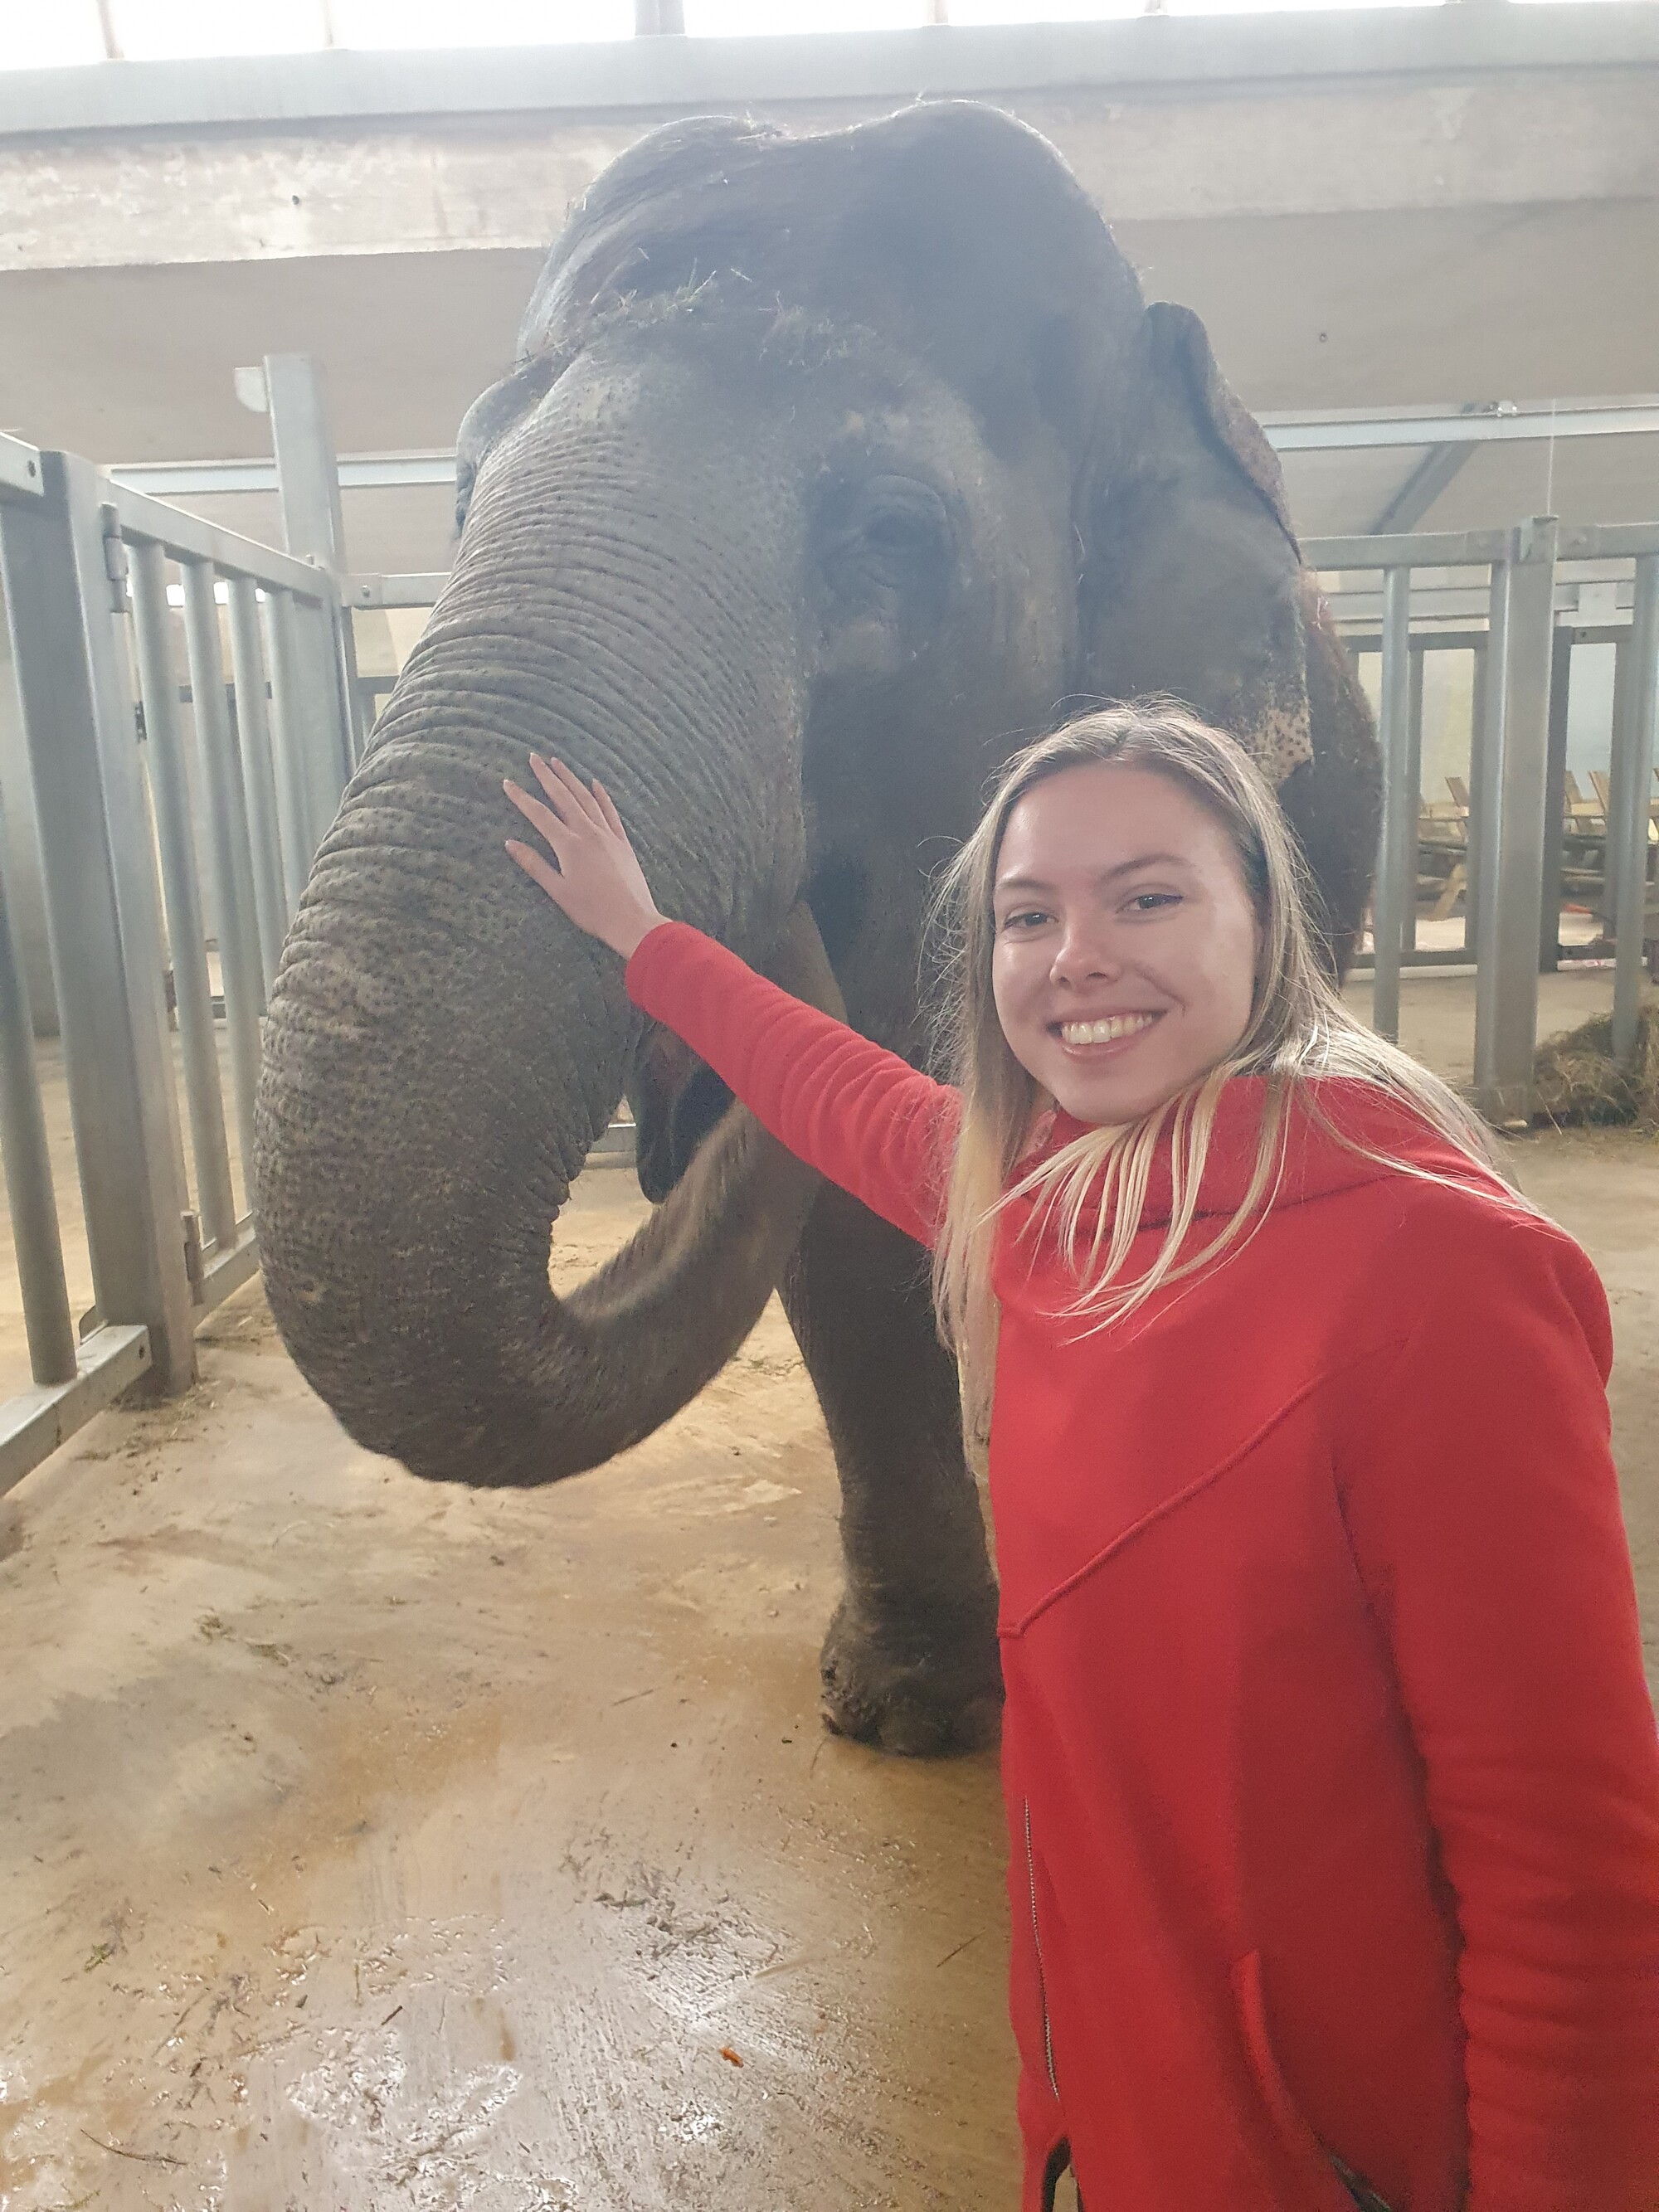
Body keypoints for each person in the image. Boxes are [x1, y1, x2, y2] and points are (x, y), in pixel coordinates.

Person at [504, 702, 1659, 2212]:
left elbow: (1568, 1885)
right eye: (1028, 915)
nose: (1077, 959)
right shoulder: (1047, 1203)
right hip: (1105, 2106)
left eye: (1149, 897)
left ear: (1267, 922)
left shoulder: (1440, 1282)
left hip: (1325, 2156)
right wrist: (642, 936)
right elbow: (833, 1086)